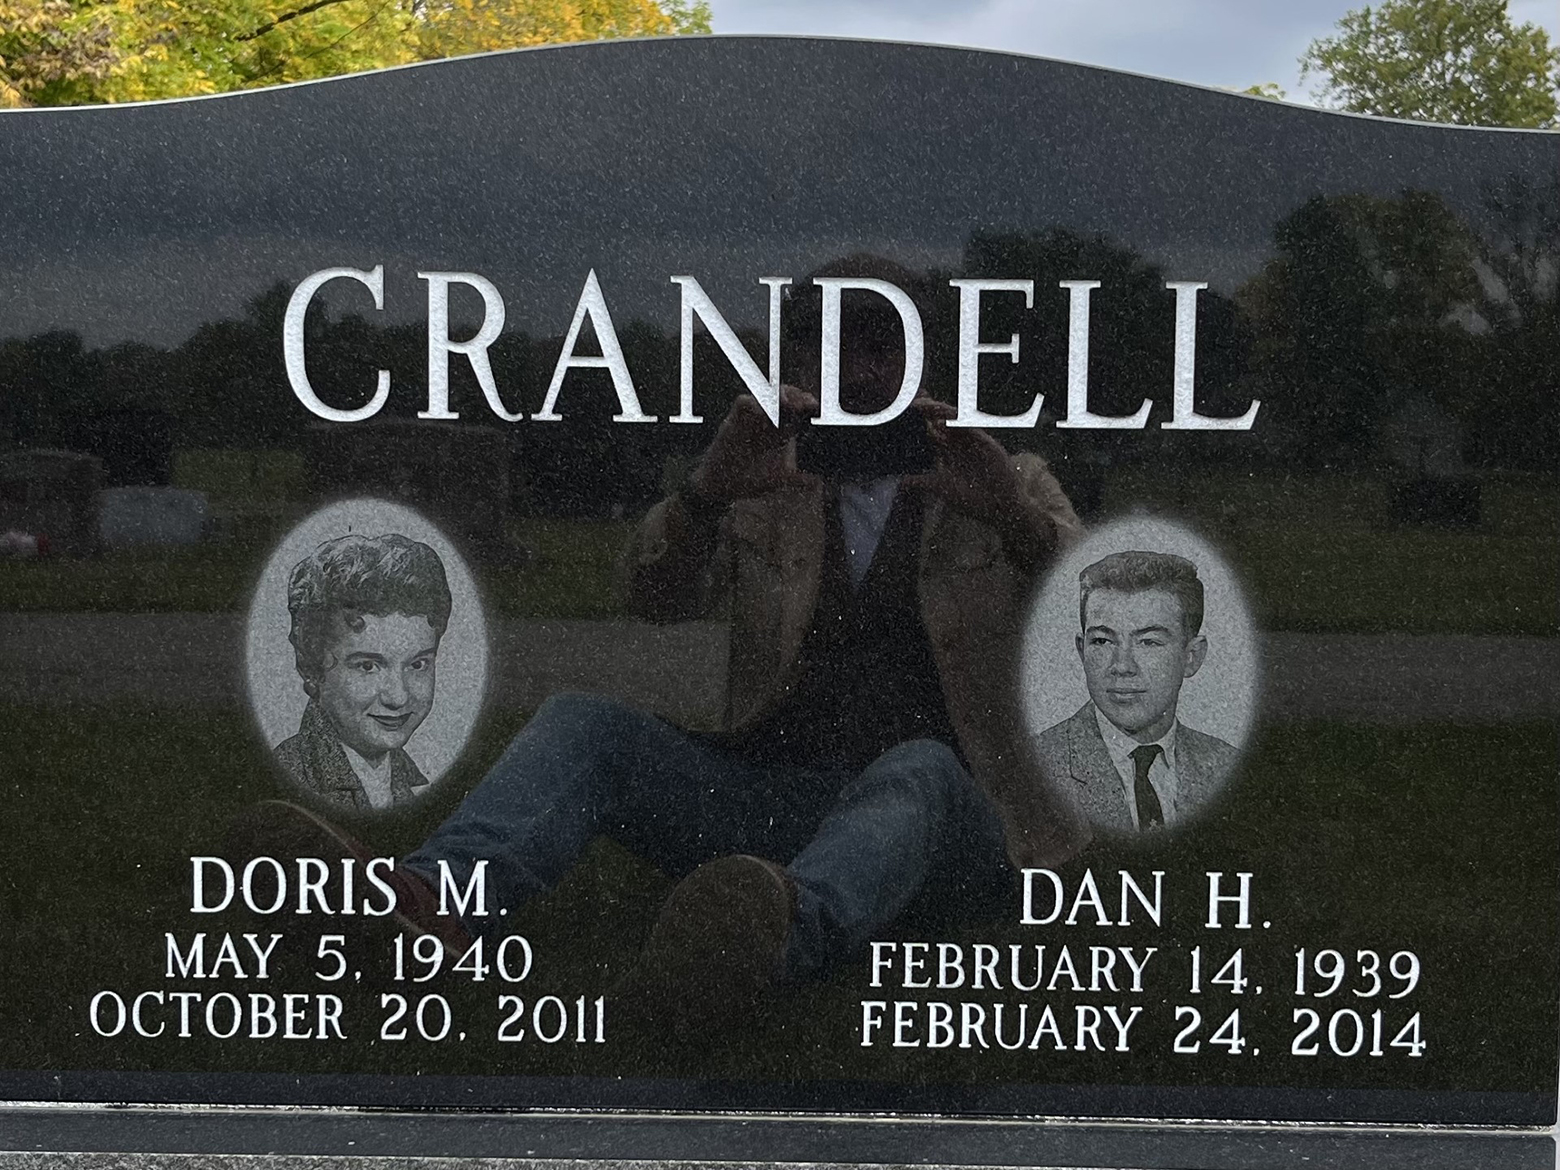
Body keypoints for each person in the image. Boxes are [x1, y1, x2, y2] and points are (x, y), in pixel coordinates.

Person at [248, 256, 1091, 1024]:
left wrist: (1008, 513)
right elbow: (650, 598)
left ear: (922, 360)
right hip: (782, 797)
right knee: (587, 724)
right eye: (840, 346)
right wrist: (707, 493)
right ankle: (429, 910)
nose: (866, 371)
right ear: (799, 363)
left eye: (886, 346)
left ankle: (772, 941)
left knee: (918, 767)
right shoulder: (770, 485)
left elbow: (1089, 622)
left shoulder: (1006, 479)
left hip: (957, 824)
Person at [1032, 550, 1239, 836]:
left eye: (1149, 642)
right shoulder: (1034, 766)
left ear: (1192, 656)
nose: (1122, 666)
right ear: (1082, 650)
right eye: (1103, 641)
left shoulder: (1227, 766)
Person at [273, 533, 451, 812]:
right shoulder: (288, 779)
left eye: (417, 665)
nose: (398, 697)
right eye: (368, 666)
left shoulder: (409, 781)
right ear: (312, 668)